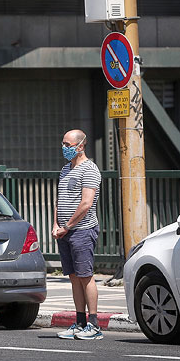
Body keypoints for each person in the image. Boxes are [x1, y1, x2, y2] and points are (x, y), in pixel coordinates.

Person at [52, 129, 103, 340]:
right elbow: (59, 198)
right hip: (64, 232)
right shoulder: (65, 169)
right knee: (73, 277)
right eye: (63, 143)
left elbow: (86, 204)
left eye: (68, 144)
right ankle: (80, 321)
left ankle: (94, 324)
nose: (64, 148)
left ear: (80, 146)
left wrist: (68, 226)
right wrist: (56, 224)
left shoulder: (90, 170)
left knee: (85, 276)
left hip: (81, 231)